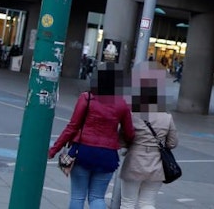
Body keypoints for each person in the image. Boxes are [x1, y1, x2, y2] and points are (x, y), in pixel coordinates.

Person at [49, 63, 135, 209]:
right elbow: (130, 133)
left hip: (83, 151)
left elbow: (72, 127)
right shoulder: (122, 104)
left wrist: (54, 149)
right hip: (108, 155)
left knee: (78, 196)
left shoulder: (87, 98)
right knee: (97, 197)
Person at [120, 65, 178, 209]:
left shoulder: (133, 115)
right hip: (156, 165)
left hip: (134, 161)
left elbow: (123, 138)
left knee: (128, 202)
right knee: (147, 203)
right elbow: (172, 142)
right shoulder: (166, 117)